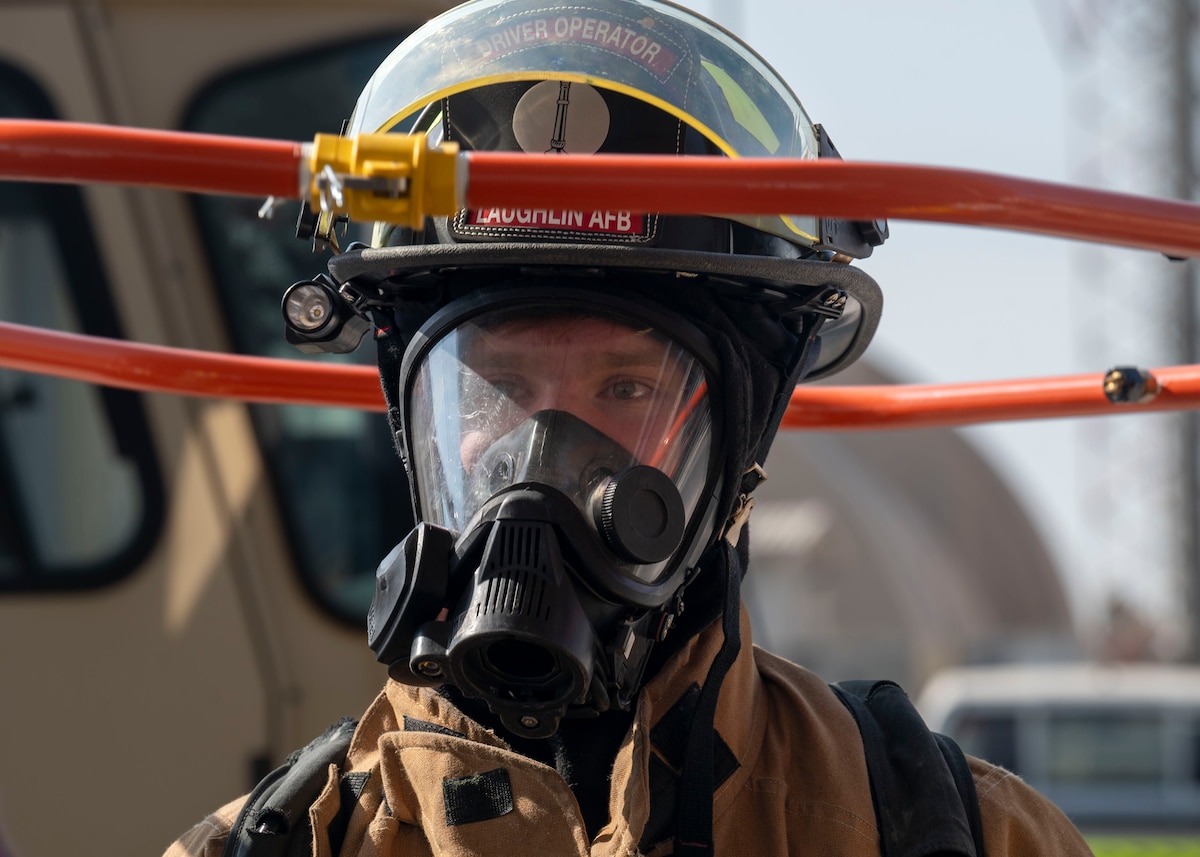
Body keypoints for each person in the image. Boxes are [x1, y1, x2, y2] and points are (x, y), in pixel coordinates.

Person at [166, 0, 1094, 854]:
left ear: (738, 443)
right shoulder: (287, 841)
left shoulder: (949, 832)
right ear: (419, 429)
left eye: (624, 388)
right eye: (495, 388)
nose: (543, 452)